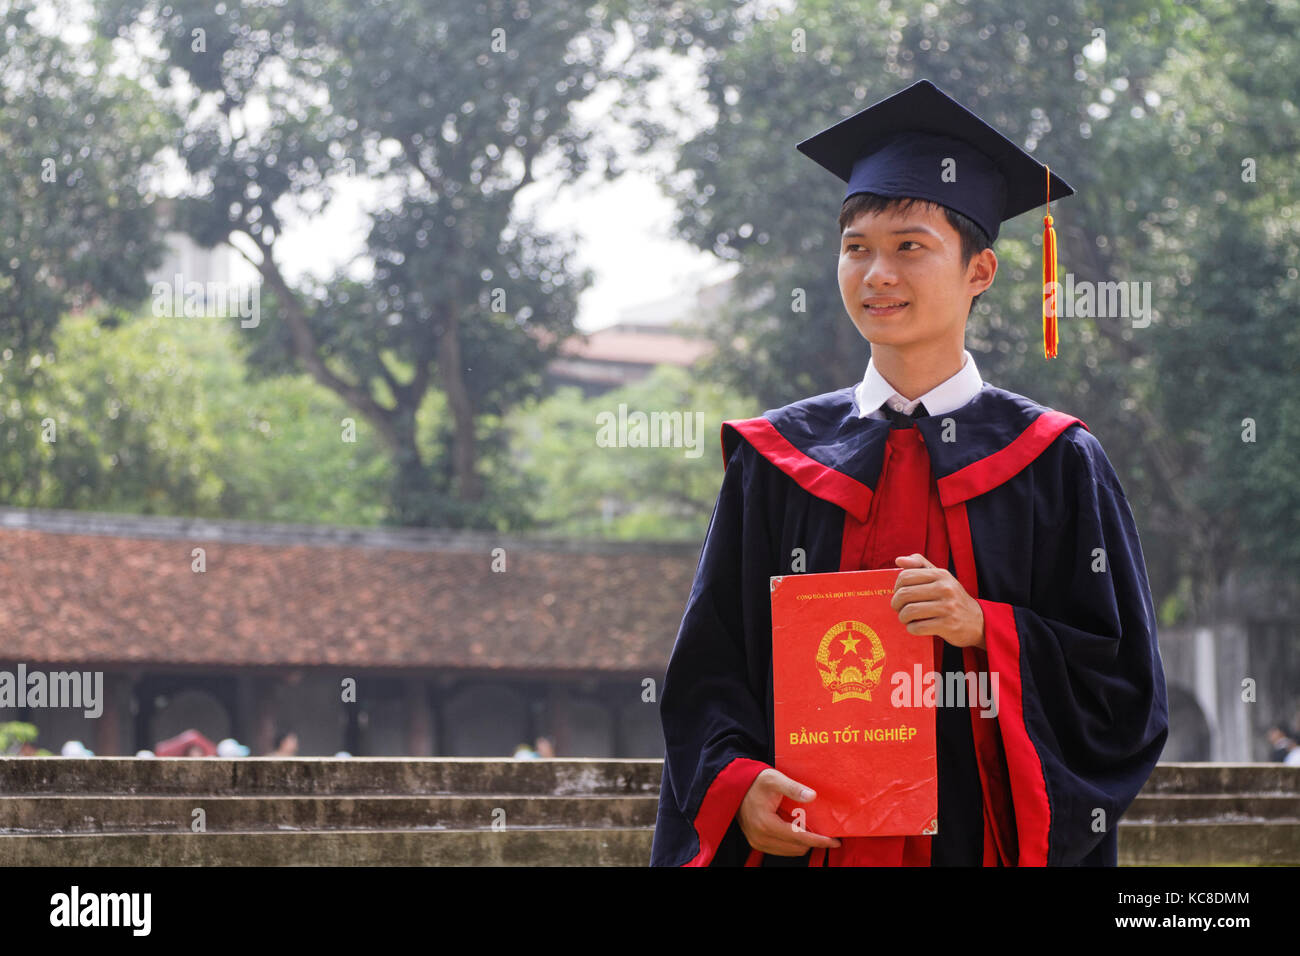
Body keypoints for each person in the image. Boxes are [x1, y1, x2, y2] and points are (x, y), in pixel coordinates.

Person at [650, 79, 1169, 867]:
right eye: (856, 248)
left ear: (981, 271)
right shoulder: (779, 462)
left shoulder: (1056, 462)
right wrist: (737, 781)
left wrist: (984, 628)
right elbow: (710, 670)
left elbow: (1124, 690)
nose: (876, 274)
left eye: (909, 248)